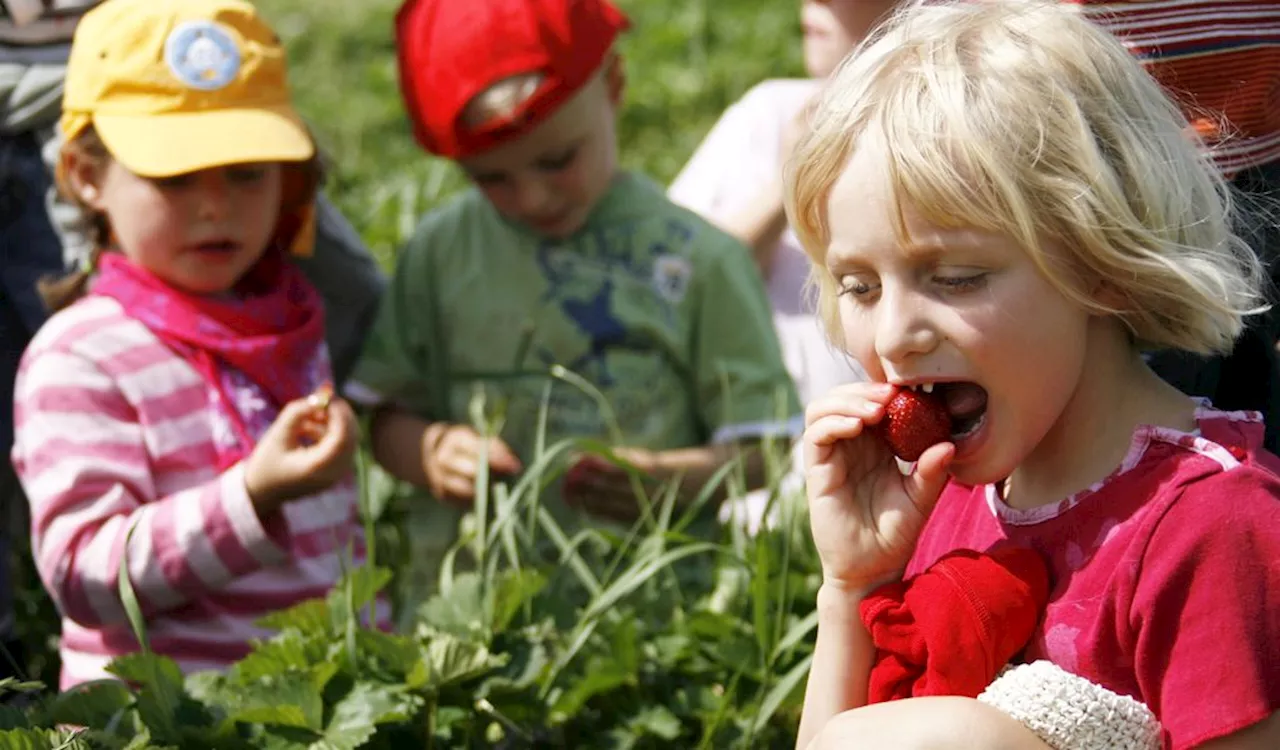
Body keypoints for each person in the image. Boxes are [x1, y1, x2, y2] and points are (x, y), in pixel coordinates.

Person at [787, 2, 1279, 749]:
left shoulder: (1214, 530)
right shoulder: (950, 502)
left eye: (954, 277)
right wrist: (852, 585)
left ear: (1100, 264)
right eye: (859, 287)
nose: (894, 336)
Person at [0, 0, 385, 681]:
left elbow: (332, 549)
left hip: (314, 710)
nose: (216, 205)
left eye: (247, 172)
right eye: (175, 179)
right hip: (166, 720)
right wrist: (250, 498)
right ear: (86, 175)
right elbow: (82, 575)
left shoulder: (286, 322)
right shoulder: (81, 358)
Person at [348, 0, 802, 561]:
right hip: (472, 609)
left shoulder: (699, 260)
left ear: (613, 84)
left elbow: (768, 446)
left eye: (558, 160)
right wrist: (431, 451)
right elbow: (383, 414)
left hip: (655, 606)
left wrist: (672, 481)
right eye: (491, 179)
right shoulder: (439, 252)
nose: (533, 197)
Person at [667, 0, 899, 407]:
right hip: (763, 437)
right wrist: (787, 185)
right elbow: (671, 286)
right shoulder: (769, 115)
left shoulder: (952, 134)